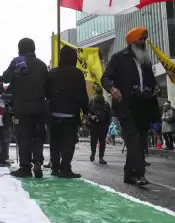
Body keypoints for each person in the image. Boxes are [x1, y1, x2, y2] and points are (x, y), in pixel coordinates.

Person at [101, 27, 159, 186]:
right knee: (133, 139)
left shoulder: (145, 60)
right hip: (125, 106)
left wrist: (155, 88)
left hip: (143, 106)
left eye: (144, 39)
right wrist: (112, 88)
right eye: (140, 39)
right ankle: (139, 174)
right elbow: (105, 78)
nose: (143, 43)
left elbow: (151, 80)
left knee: (140, 141)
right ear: (133, 41)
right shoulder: (118, 58)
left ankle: (129, 174)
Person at [2, 38, 49, 178]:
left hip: (21, 108)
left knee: (24, 137)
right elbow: (47, 86)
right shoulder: (41, 65)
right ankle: (38, 163)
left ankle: (25, 167)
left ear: (20, 48)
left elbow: (5, 78)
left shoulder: (17, 62)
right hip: (39, 107)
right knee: (37, 136)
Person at [47, 46, 88, 178]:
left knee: (55, 142)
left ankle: (54, 166)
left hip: (53, 113)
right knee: (68, 142)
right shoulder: (77, 73)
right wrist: (86, 112)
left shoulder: (52, 73)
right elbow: (82, 95)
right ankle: (65, 168)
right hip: (71, 113)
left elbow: (46, 93)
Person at [88, 86, 110, 164]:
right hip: (98, 126)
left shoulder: (104, 103)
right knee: (98, 142)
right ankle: (97, 156)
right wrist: (92, 117)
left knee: (97, 142)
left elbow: (109, 116)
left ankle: (97, 155)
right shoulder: (93, 102)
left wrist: (107, 127)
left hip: (98, 126)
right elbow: (87, 113)